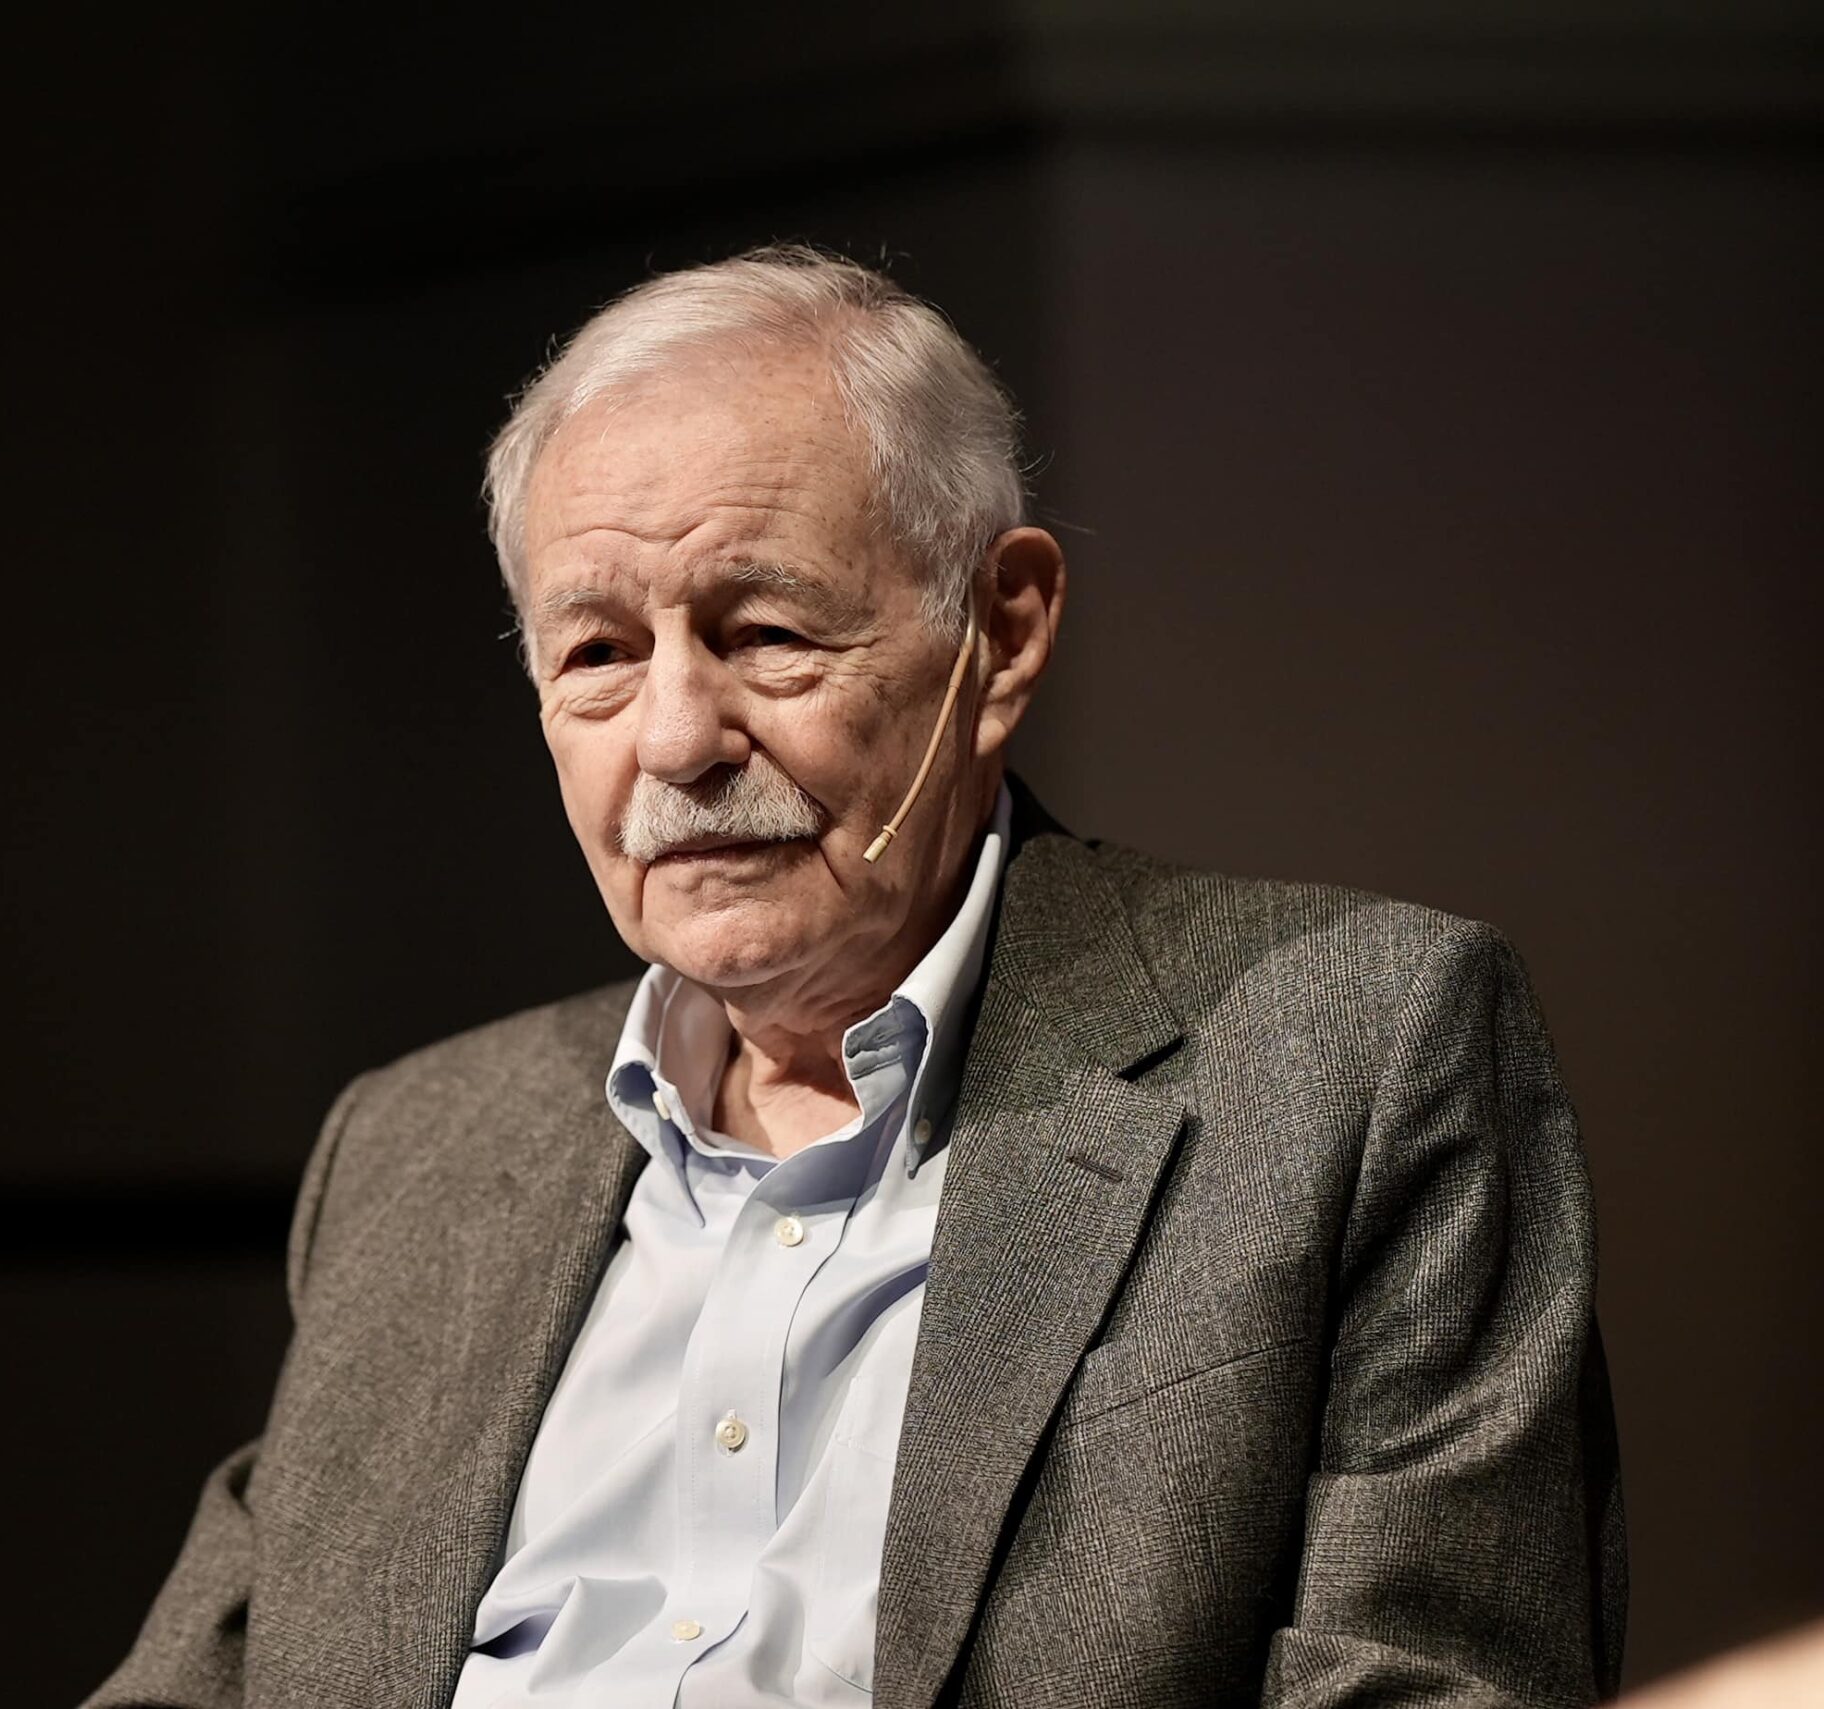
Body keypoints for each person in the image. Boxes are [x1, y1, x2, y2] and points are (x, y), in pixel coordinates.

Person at [89, 246, 1625, 1708]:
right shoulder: (414, 1145)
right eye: (599, 653)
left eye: (764, 631)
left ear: (999, 634)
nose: (676, 741)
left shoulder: (1348, 1052)